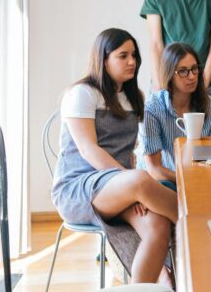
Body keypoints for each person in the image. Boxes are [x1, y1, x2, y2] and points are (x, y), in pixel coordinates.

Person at [52, 28, 176, 285]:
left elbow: (128, 152)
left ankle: (143, 288)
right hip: (79, 188)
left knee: (158, 227)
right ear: (103, 58)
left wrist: (131, 186)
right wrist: (131, 183)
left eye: (134, 55)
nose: (132, 62)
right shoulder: (83, 94)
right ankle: (201, 225)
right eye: (123, 56)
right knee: (142, 180)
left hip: (119, 187)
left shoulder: (134, 98)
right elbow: (89, 150)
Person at [139, 43, 211, 190]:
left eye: (194, 69)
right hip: (162, 182)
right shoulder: (152, 108)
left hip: (201, 180)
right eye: (183, 71)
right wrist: (188, 179)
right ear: (169, 74)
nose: (191, 76)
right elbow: (155, 170)